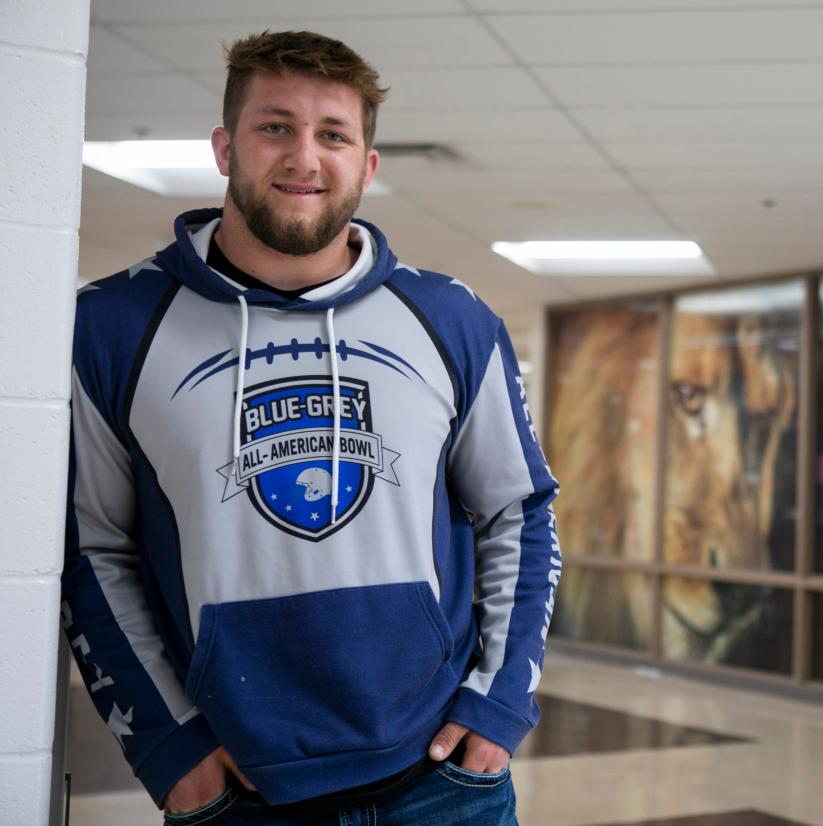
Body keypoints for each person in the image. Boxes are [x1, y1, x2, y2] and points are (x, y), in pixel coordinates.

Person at [62, 29, 561, 824]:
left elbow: (519, 512)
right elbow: (92, 549)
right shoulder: (114, 325)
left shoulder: (449, 319)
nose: (304, 156)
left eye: (333, 134)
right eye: (275, 127)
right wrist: (169, 745)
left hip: (444, 786)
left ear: (366, 165)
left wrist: (500, 704)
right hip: (241, 795)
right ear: (225, 148)